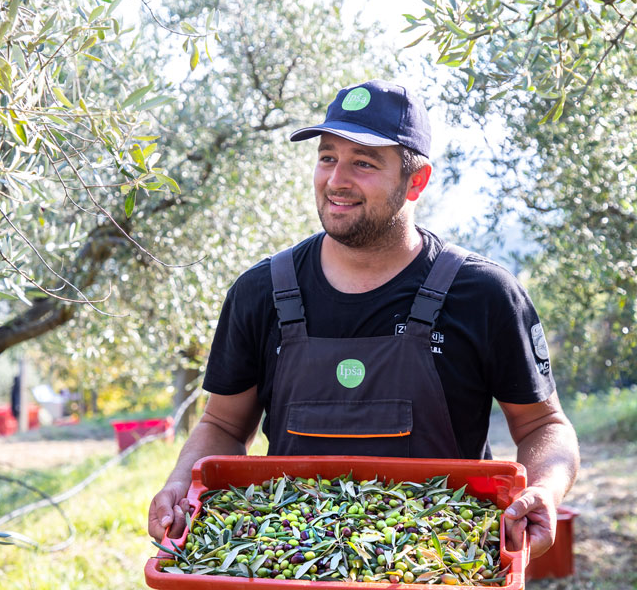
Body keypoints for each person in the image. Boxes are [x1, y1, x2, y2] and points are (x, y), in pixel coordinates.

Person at [148, 79, 579, 558]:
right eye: (328, 157)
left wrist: (543, 489)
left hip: (440, 564)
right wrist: (179, 486)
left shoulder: (484, 294)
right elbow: (224, 426)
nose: (336, 180)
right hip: (292, 563)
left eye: (364, 163)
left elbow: (544, 426)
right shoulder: (260, 292)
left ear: (416, 181)